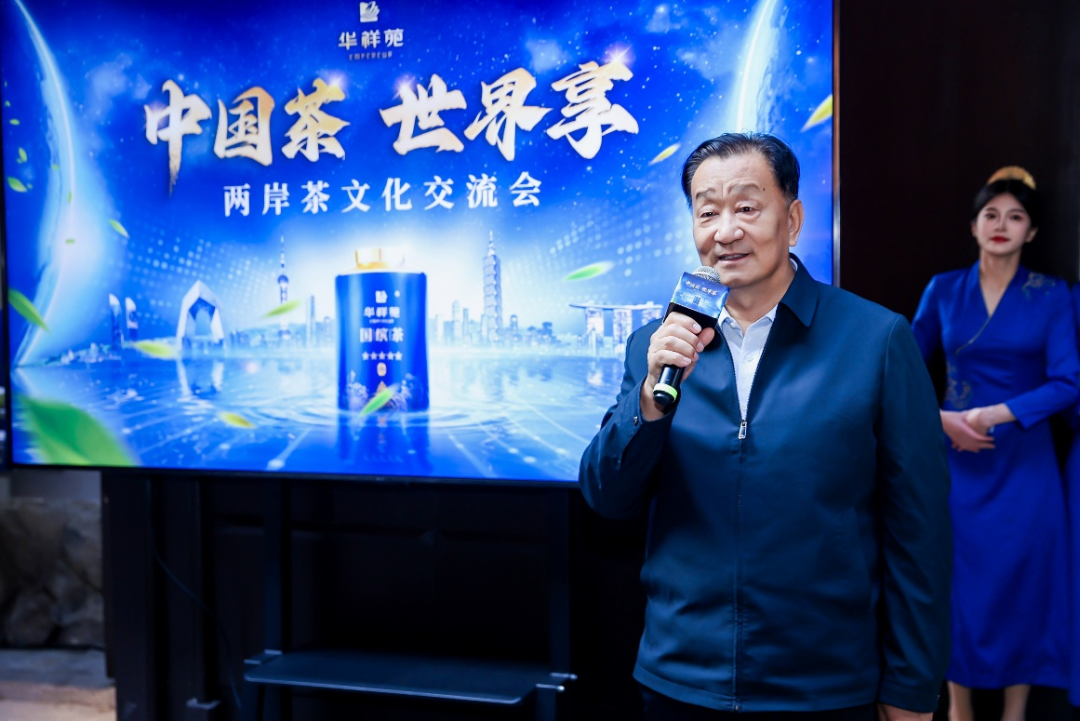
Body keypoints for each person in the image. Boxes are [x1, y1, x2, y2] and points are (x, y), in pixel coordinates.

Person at [579, 133, 952, 721]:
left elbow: (919, 532)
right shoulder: (657, 346)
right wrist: (648, 401)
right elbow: (607, 497)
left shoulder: (875, 340)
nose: (725, 231)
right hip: (682, 683)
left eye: (747, 207)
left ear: (793, 220)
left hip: (824, 688)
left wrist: (911, 688)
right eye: (707, 212)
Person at [910, 168, 1078, 721]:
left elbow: (1069, 382)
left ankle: (1015, 712)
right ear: (974, 225)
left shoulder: (1051, 294)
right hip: (956, 463)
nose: (1001, 224)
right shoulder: (944, 289)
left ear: (1032, 231)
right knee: (958, 583)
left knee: (1025, 582)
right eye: (991, 214)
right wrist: (942, 420)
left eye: (1016, 216)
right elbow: (902, 370)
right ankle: (958, 710)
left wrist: (993, 415)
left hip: (1026, 463)